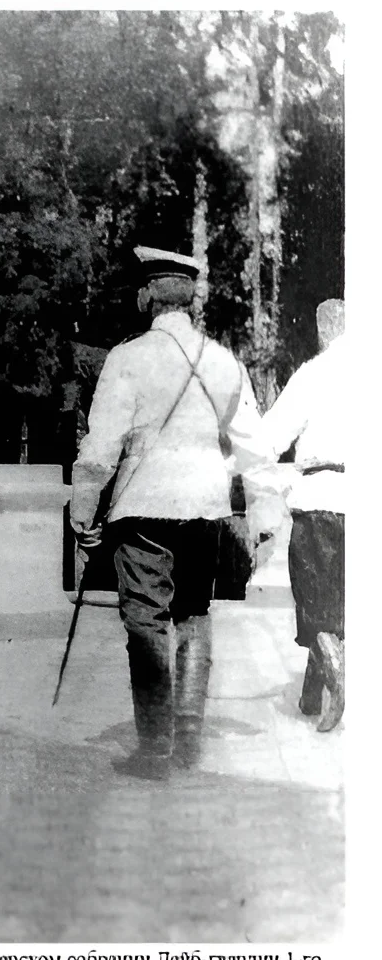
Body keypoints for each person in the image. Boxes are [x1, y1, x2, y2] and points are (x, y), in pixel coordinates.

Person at [70, 246, 286, 779]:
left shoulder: (127, 358)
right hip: (205, 507)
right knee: (193, 614)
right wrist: (263, 514)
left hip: (144, 510)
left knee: (145, 621)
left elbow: (100, 448)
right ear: (188, 299)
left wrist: (83, 512)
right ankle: (188, 739)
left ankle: (155, 749)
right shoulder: (223, 359)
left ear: (147, 295)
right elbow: (256, 449)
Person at [261, 299, 346, 731]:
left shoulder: (313, 374)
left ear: (322, 331)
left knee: (314, 605)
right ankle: (312, 696)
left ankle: (334, 669)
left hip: (320, 501)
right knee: (346, 605)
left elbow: (272, 436)